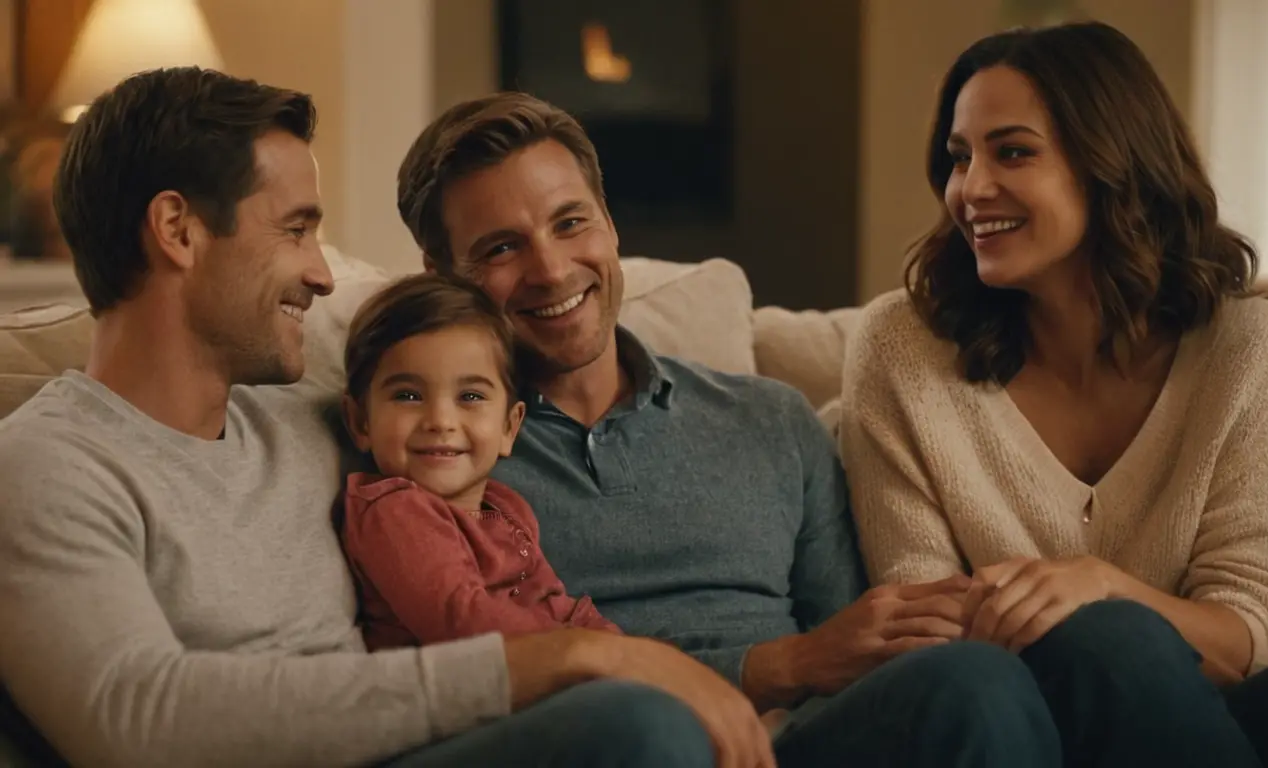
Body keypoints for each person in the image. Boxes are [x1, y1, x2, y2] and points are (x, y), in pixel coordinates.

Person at [0, 67, 774, 768]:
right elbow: (136, 720)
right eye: (296, 230)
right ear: (178, 231)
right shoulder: (48, 464)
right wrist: (563, 659)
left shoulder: (315, 418)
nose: (323, 274)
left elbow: (457, 368)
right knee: (638, 728)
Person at [395, 92, 1063, 767]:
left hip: (792, 743)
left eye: (571, 222)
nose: (549, 269)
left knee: (976, 682)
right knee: (648, 733)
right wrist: (773, 665)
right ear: (440, 277)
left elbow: (854, 649)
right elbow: (469, 675)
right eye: (501, 248)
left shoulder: (769, 419)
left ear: (611, 225)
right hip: (610, 742)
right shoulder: (431, 453)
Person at [841, 20, 1268, 768]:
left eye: (1012, 151)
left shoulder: (1246, 349)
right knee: (1107, 636)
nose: (971, 189)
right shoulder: (900, 351)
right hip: (1010, 723)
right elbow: (931, 629)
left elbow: (1250, 631)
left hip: (1209, 715)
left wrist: (1102, 588)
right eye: (958, 159)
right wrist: (1100, 619)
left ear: (1115, 164)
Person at [339, 272, 622, 649]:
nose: (440, 421)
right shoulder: (394, 510)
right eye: (408, 396)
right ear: (361, 422)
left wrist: (625, 651)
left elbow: (557, 605)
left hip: (544, 674)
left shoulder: (508, 509)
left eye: (470, 397)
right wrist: (595, 655)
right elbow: (462, 621)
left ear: (509, 427)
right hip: (467, 697)